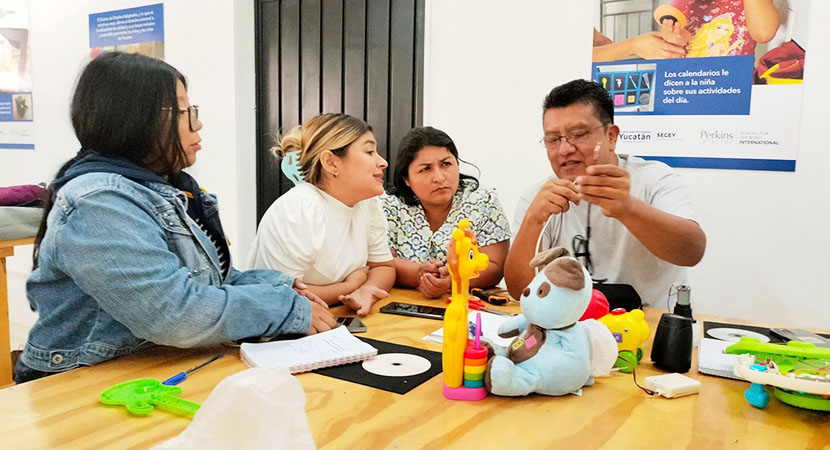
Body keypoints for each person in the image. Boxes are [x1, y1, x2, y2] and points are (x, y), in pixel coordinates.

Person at [16, 52, 335, 384]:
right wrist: (286, 308)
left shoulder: (168, 188)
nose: (197, 123)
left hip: (149, 367)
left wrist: (284, 288)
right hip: (79, 383)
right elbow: (175, 313)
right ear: (136, 119)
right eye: (184, 111)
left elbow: (212, 280)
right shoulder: (100, 200)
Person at [504, 79, 706, 306]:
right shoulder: (538, 198)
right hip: (569, 326)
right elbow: (520, 290)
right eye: (553, 139)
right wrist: (533, 220)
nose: (565, 149)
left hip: (647, 327)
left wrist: (627, 208)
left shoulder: (654, 179)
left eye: (579, 134)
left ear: (611, 136)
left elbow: (692, 252)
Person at [247, 113, 395, 316]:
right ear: (331, 163)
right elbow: (282, 295)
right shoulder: (300, 208)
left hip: (333, 320)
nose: (383, 162)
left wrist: (367, 290)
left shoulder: (367, 204)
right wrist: (352, 285)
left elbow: (384, 266)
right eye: (369, 151)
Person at [381, 127, 510, 298]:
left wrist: (453, 280)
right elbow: (381, 261)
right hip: (404, 305)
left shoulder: (483, 201)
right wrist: (419, 273)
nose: (439, 177)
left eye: (446, 164)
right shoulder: (389, 204)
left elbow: (495, 266)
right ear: (407, 179)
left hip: (466, 305)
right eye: (425, 169)